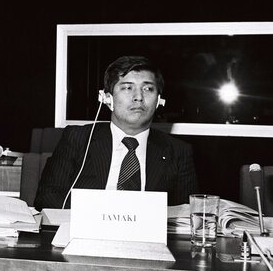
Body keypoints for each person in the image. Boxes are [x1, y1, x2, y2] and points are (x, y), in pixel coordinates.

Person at [34, 55, 198, 209]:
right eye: (127, 88)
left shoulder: (178, 151)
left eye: (148, 89)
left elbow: (186, 214)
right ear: (107, 98)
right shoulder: (78, 138)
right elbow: (46, 198)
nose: (138, 97)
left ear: (158, 101)